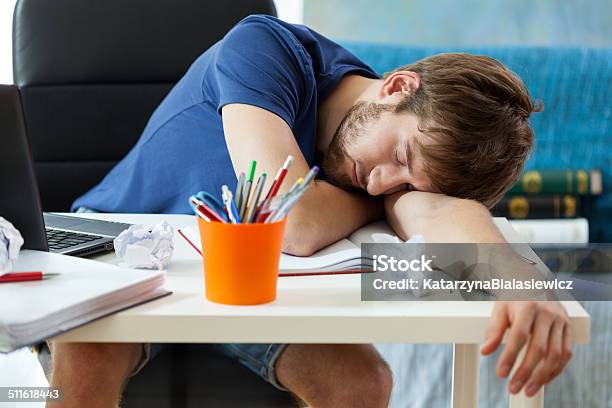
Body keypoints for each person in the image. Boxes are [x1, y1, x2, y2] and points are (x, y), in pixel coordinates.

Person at [48, 15, 572, 408]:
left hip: (250, 288)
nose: (384, 182)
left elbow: (439, 214)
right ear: (398, 86)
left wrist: (519, 277)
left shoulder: (388, 158)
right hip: (127, 257)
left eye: (406, 184)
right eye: (400, 157)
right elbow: (289, 223)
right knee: (85, 355)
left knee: (364, 383)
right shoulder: (264, 48)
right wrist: (377, 207)